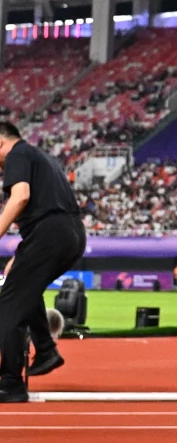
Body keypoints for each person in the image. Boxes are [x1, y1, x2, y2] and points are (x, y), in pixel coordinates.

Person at [0, 122, 85, 402]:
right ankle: (46, 348)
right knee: (24, 288)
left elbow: (21, 197)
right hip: (70, 233)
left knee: (8, 307)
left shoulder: (17, 155)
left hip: (49, 235)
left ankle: (10, 384)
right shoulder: (42, 156)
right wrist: (22, 254)